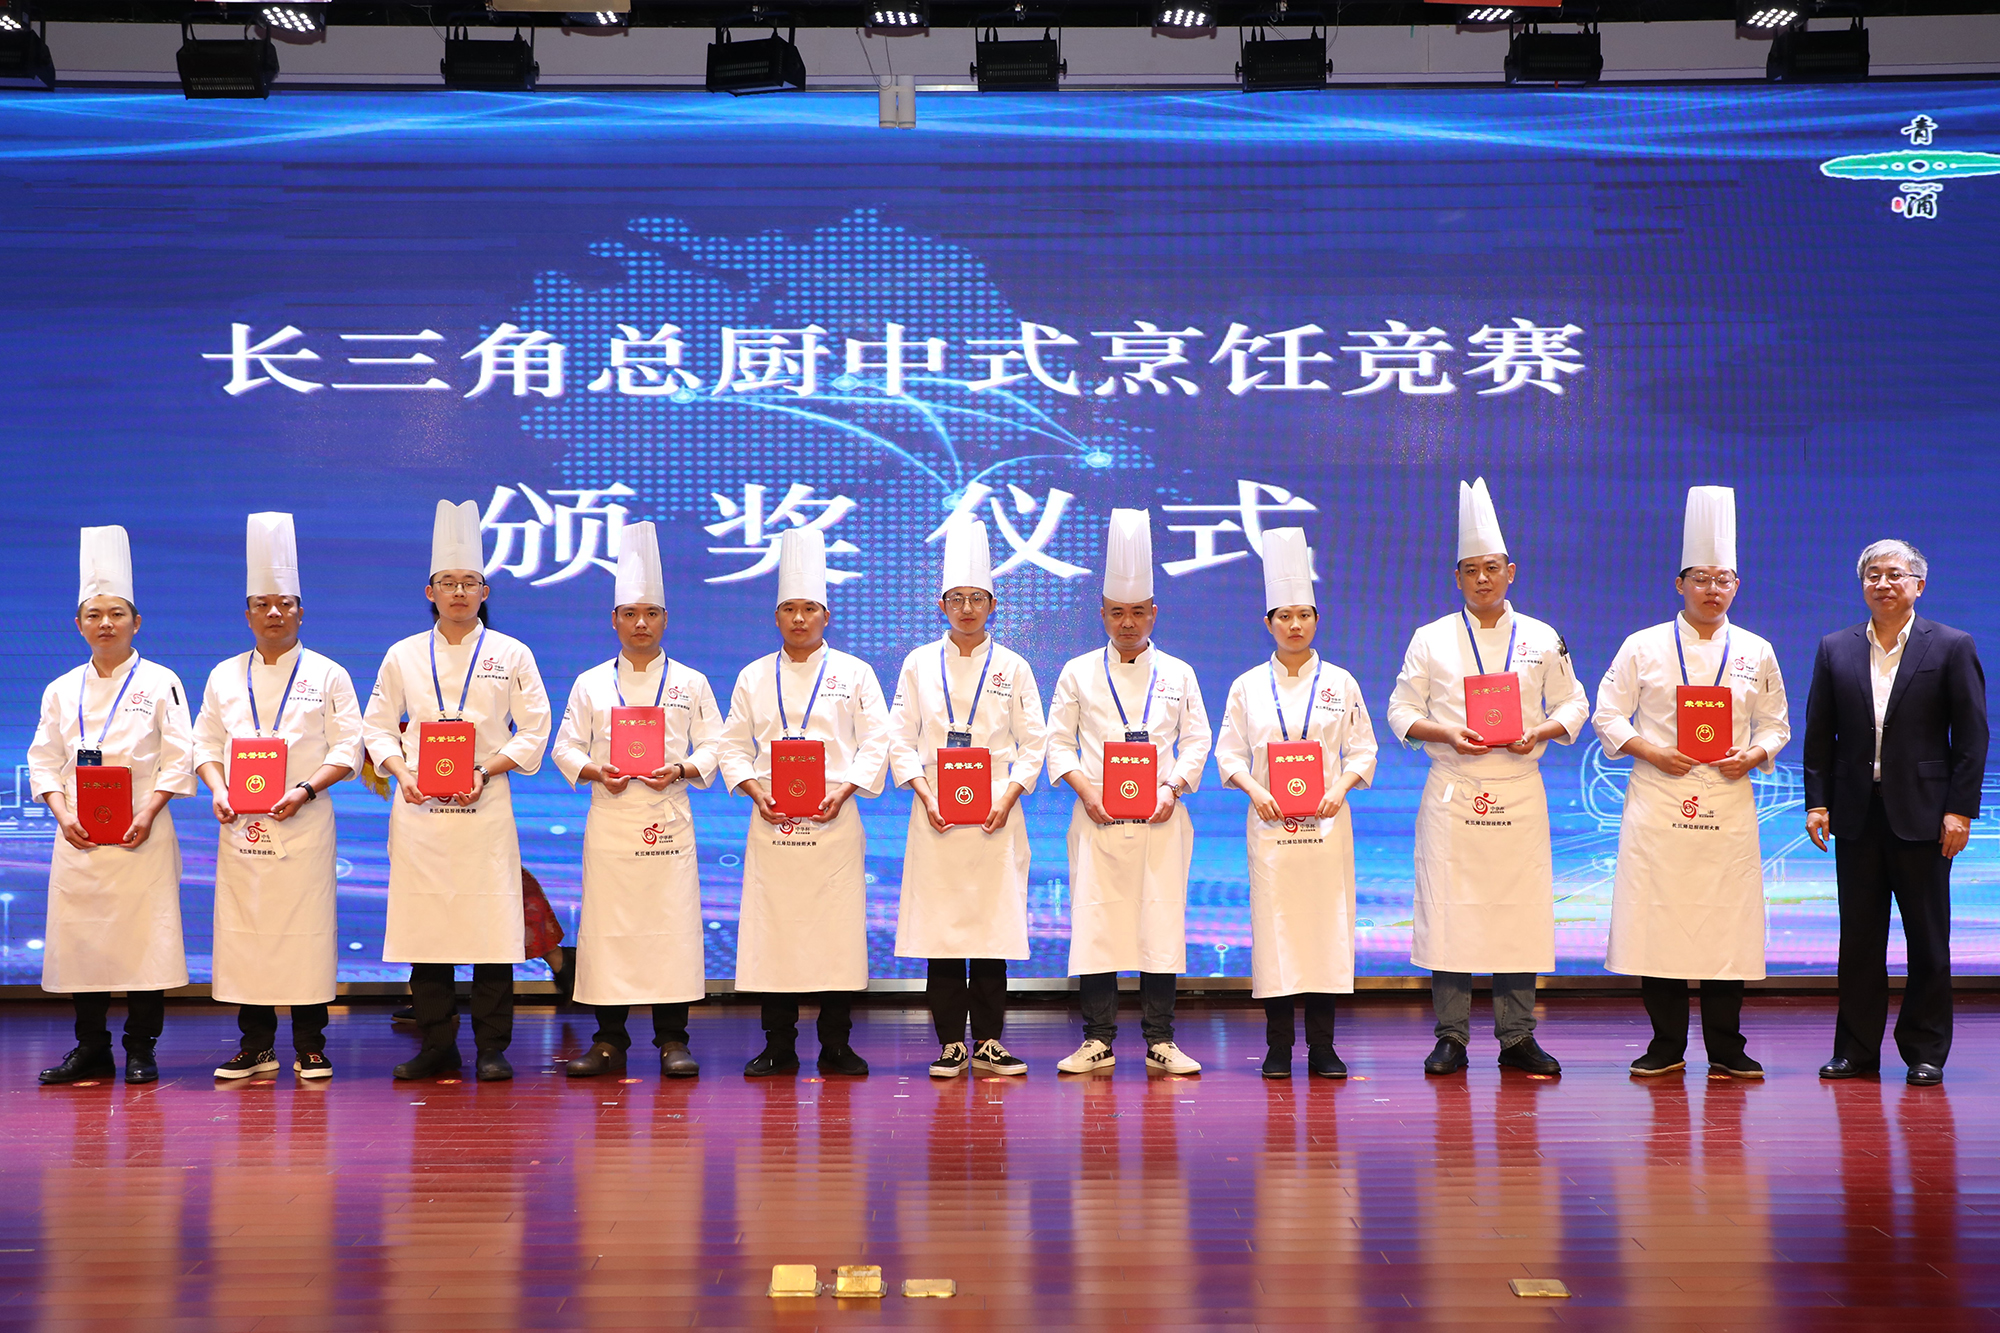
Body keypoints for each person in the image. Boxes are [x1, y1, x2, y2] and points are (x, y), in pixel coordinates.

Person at [1386, 478, 1589, 1078]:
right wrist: (1446, 732)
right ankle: (1450, 1035)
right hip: (1455, 790)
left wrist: (1541, 731)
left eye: (1492, 568)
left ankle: (1517, 1036)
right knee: (1451, 912)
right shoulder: (1430, 638)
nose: (1482, 579)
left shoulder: (1542, 637)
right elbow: (1400, 710)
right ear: (1457, 577)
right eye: (1471, 570)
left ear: (1511, 571)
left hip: (1519, 788)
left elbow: (1574, 703)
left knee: (1517, 913)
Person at [1592, 487, 1790, 1079]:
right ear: (1679, 584)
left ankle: (1727, 1046)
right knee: (1660, 920)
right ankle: (1666, 1044)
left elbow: (1777, 724)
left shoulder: (1756, 650)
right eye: (1700, 578)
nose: (1712, 589)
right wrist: (1651, 750)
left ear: (1736, 585)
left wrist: (1753, 754)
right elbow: (1607, 714)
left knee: (1726, 921)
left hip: (1727, 799)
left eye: (1723, 579)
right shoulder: (1643, 645)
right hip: (1660, 797)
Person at [361, 500, 552, 1083]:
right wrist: (402, 772)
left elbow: (535, 729)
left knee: (493, 929)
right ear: (430, 592)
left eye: (470, 582)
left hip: (484, 806)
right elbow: (375, 727)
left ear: (485, 591)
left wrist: (484, 771)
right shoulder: (402, 654)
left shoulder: (511, 653)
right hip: (421, 810)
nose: (460, 592)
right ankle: (436, 1044)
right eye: (449, 582)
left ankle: (492, 1047)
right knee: (428, 930)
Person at [1805, 539, 1988, 1087]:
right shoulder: (1835, 647)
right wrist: (1817, 800)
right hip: (1856, 813)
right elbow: (1820, 734)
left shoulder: (1951, 645)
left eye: (1894, 574)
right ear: (1862, 584)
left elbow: (1972, 736)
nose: (1882, 584)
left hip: (1926, 816)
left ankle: (1925, 1051)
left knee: (1927, 940)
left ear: (1918, 585)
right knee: (1859, 940)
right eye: (1873, 575)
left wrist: (1960, 810)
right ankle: (1855, 1051)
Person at [192, 513, 364, 1080]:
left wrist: (306, 789)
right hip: (240, 823)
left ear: (300, 611)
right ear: (247, 614)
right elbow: (204, 743)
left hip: (303, 821)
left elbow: (349, 747)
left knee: (305, 930)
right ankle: (256, 1045)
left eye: (284, 603)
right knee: (247, 931)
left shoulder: (329, 674)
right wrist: (218, 788)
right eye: (262, 604)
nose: (274, 613)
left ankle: (311, 1043)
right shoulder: (223, 675)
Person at [717, 528, 891, 1077]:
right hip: (773, 821)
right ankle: (779, 1045)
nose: (799, 618)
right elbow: (731, 745)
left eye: (809, 608)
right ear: (776, 617)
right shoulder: (753, 676)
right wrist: (754, 790)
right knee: (775, 932)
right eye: (789, 609)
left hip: (833, 821)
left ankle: (836, 1044)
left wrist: (845, 789)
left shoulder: (855, 673)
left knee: (836, 933)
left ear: (826, 615)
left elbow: (878, 741)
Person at [551, 523, 722, 1080]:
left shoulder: (691, 682)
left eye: (651, 613)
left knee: (671, 927)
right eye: (630, 614)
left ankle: (673, 1039)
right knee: (609, 929)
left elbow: (717, 745)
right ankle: (609, 1040)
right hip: (612, 819)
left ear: (666, 619)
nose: (641, 623)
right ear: (615, 620)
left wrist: (682, 768)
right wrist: (595, 770)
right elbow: (565, 747)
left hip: (668, 817)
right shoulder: (591, 683)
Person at [1045, 509, 1212, 1076]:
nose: (1127, 622)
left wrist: (1173, 787)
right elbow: (1058, 742)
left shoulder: (1179, 673)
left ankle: (1161, 1040)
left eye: (1138, 611)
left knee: (1159, 926)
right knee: (1098, 927)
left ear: (1154, 613)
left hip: (1162, 822)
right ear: (1102, 614)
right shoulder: (1077, 672)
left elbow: (1197, 739)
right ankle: (1097, 1040)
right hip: (1097, 821)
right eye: (1117, 612)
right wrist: (1086, 791)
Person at [32, 526, 197, 1086]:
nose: (106, 623)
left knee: (145, 940)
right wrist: (63, 814)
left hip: (141, 832)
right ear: (78, 624)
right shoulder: (60, 688)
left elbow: (179, 755)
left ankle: (141, 1048)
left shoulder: (162, 681)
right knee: (84, 942)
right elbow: (43, 760)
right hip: (78, 833)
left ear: (136, 622)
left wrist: (148, 812)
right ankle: (90, 1048)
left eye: (117, 614)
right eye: (94, 614)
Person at [887, 521, 1050, 1078]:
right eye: (956, 598)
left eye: (976, 598)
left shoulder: (1013, 666)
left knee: (989, 930)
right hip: (935, 810)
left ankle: (988, 1042)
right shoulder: (917, 663)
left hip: (994, 816)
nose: (966, 608)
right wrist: (925, 793)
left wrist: (1008, 797)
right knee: (942, 933)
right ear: (942, 605)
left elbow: (1035, 741)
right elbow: (899, 739)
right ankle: (949, 1044)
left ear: (992, 605)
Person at [1215, 529, 1377, 1080]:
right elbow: (1228, 754)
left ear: (1316, 619)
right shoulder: (1247, 686)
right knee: (1276, 931)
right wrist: (1257, 791)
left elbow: (1363, 750)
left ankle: (1324, 1047)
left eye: (1304, 614)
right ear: (1268, 623)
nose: (1295, 625)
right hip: (1271, 829)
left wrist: (1339, 788)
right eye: (1284, 616)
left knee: (1326, 929)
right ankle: (1279, 1047)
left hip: (1327, 828)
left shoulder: (1340, 682)